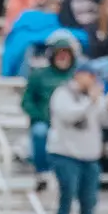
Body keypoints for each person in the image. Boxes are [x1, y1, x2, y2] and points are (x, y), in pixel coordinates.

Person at [48, 64, 108, 214]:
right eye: (89, 75)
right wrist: (90, 101)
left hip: (90, 156)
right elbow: (69, 116)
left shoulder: (96, 98)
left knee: (89, 201)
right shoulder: (62, 94)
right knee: (67, 195)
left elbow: (105, 120)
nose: (92, 80)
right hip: (66, 154)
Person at [22, 33, 77, 189]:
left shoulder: (76, 76)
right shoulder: (39, 75)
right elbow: (26, 100)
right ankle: (42, 170)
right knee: (39, 131)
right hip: (45, 120)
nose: (63, 58)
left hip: (71, 122)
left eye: (66, 54)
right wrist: (39, 115)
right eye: (60, 54)